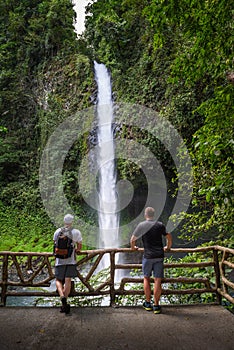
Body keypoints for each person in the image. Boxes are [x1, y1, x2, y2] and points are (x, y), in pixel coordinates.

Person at [130, 207, 172, 314]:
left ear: (145, 215)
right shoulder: (160, 225)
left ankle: (148, 303)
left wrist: (133, 248)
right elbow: (169, 236)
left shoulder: (141, 225)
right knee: (158, 280)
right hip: (159, 255)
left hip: (148, 256)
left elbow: (132, 240)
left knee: (146, 278)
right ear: (154, 215)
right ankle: (156, 305)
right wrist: (168, 247)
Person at [53, 214, 82, 314]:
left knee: (58, 280)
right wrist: (77, 251)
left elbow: (54, 243)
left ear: (64, 221)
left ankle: (62, 297)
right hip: (70, 260)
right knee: (68, 280)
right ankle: (64, 300)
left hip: (59, 260)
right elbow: (79, 246)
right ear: (72, 222)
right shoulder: (76, 232)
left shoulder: (58, 231)